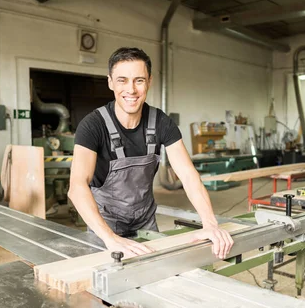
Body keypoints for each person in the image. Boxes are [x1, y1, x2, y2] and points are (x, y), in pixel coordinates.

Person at [68, 47, 233, 259]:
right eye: (122, 80)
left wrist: (210, 224)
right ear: (110, 82)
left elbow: (189, 176)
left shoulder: (161, 122)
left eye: (139, 80)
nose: (131, 90)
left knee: (158, 273)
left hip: (145, 221)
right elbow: (77, 186)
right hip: (104, 224)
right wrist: (111, 238)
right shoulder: (92, 125)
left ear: (149, 81)